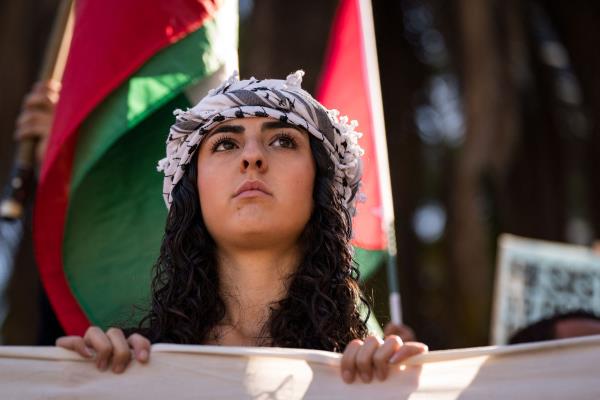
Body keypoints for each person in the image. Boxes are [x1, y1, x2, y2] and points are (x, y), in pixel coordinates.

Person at [56, 70, 427, 383]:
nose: (251, 156)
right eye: (225, 144)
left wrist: (392, 391)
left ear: (321, 185)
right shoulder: (133, 364)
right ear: (193, 187)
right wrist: (85, 380)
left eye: (283, 140)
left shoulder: (363, 371)